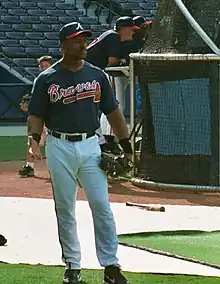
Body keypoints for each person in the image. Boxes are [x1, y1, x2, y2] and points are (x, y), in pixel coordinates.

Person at [27, 22, 133, 284]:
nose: (83, 44)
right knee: (65, 207)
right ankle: (73, 266)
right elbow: (36, 113)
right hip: (59, 145)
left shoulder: (97, 76)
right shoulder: (47, 78)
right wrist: (34, 139)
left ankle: (111, 265)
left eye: (85, 39)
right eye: (77, 40)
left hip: (90, 145)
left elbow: (113, 112)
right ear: (63, 44)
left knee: (102, 206)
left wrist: (126, 144)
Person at [86, 16, 140, 154]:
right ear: (123, 29)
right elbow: (111, 63)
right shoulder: (114, 37)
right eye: (131, 30)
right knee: (112, 105)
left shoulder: (111, 36)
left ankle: (102, 142)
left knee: (94, 107)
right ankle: (106, 141)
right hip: (89, 72)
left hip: (86, 71)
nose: (134, 33)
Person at [18, 55, 53, 177]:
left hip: (52, 117)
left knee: (53, 142)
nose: (44, 68)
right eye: (42, 66)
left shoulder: (56, 79)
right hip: (39, 116)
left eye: (46, 66)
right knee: (31, 140)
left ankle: (57, 168)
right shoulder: (38, 80)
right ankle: (29, 166)